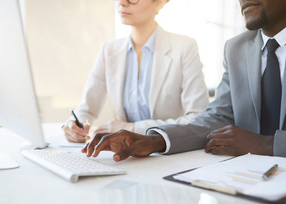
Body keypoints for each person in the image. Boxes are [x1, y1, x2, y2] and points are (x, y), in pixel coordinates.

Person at [83, 0, 286, 161]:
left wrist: (266, 145)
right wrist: (155, 140)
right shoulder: (236, 48)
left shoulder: (185, 46)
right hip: (246, 182)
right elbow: (218, 118)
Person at [62, 0, 209, 142]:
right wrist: (75, 125)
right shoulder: (109, 50)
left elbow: (198, 118)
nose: (122, 3)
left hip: (166, 151)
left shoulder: (184, 47)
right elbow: (86, 109)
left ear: (159, 3)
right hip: (125, 152)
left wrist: (132, 128)